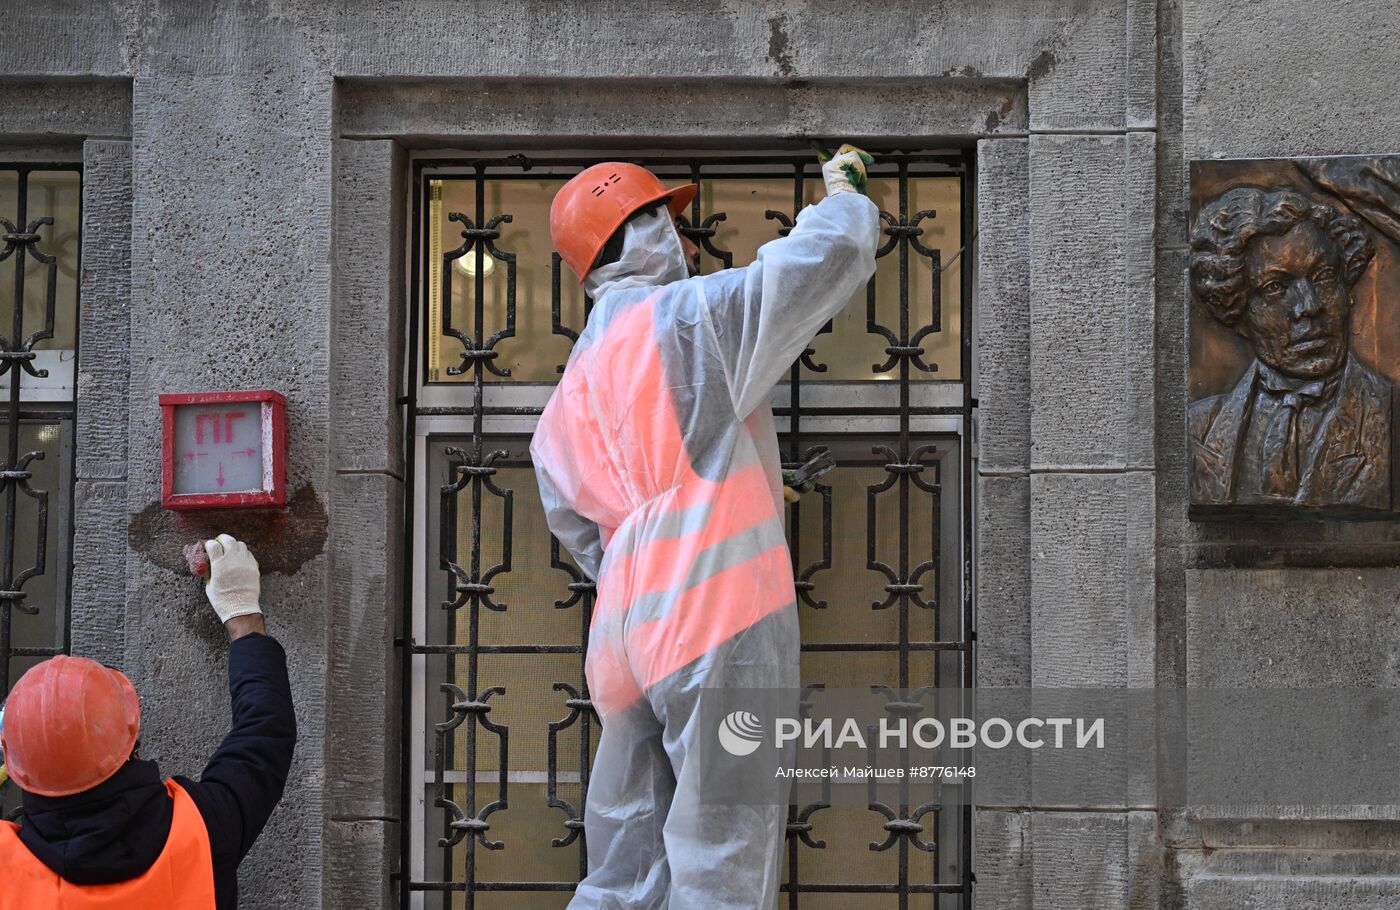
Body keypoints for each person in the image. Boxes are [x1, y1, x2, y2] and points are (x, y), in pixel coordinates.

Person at [530, 146, 879, 909]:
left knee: (622, 870)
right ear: (644, 229)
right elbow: (825, 257)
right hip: (718, 618)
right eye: (670, 223)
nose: (687, 245)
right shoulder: (687, 320)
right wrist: (845, 195)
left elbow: (585, 532)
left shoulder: (568, 394)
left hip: (624, 637)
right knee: (721, 860)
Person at [0, 534, 296, 909]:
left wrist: (30, 739)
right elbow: (264, 734)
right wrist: (242, 615)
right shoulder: (202, 830)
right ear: (131, 733)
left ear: (16, 768)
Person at [1189, 185, 1395, 510]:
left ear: (1347, 289)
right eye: (1276, 286)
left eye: (1323, 276)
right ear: (1236, 308)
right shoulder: (1197, 428)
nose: (1308, 306)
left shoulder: (1391, 415)